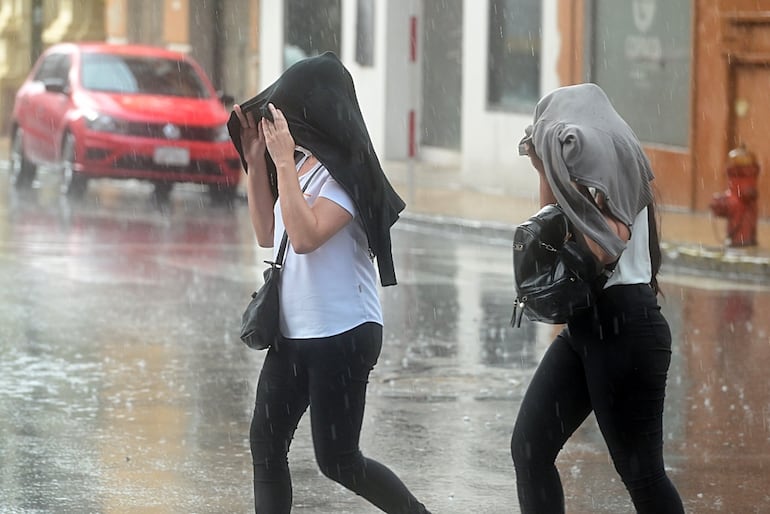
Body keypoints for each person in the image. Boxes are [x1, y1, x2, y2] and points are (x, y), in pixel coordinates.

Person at [228, 52, 431, 514]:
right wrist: (257, 161)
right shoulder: (299, 167)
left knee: (339, 461)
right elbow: (267, 232)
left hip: (342, 334)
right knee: (266, 442)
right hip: (293, 332)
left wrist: (281, 162)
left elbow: (304, 237)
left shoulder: (348, 175)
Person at [511, 83, 685, 513]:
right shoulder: (588, 166)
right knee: (530, 447)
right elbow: (551, 222)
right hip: (589, 326)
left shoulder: (604, 169)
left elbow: (607, 244)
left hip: (625, 328)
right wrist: (544, 169)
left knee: (643, 476)